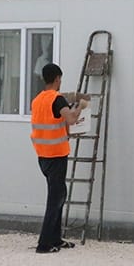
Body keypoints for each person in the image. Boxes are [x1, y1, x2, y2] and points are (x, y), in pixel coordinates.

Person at [30, 62, 89, 254]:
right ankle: (44, 244)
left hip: (43, 155)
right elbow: (71, 118)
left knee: (59, 195)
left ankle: (55, 238)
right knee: (55, 199)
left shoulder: (37, 100)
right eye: (60, 79)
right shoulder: (57, 99)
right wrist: (81, 106)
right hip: (56, 155)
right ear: (57, 79)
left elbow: (53, 121)